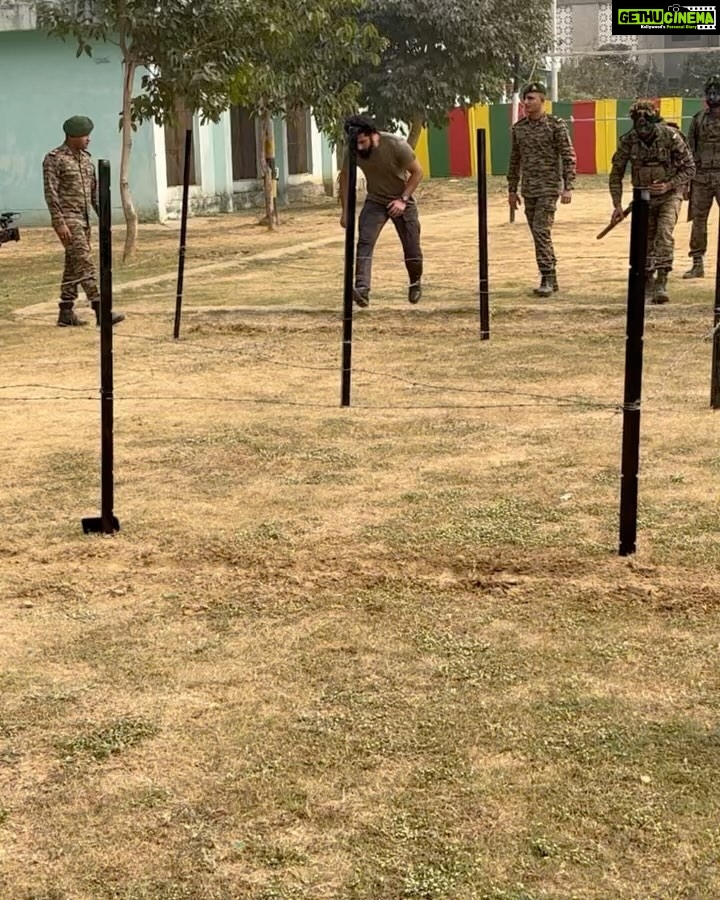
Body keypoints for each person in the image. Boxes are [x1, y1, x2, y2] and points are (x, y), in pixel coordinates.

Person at [609, 99, 695, 304]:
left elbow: (690, 168)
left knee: (663, 234)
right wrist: (617, 205)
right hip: (643, 197)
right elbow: (616, 174)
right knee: (645, 238)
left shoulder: (670, 136)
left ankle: (662, 280)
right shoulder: (628, 140)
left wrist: (669, 185)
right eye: (637, 122)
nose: (642, 126)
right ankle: (647, 279)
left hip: (669, 195)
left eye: (647, 121)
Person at [43, 116, 124, 327]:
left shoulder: (87, 160)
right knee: (85, 262)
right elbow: (51, 193)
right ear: (72, 136)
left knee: (74, 264)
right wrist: (58, 222)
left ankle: (66, 312)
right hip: (68, 220)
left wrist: (105, 219)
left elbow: (94, 194)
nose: (89, 139)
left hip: (84, 219)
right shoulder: (55, 159)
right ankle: (101, 310)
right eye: (85, 135)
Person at [339, 115, 424, 308]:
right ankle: (362, 289)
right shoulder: (353, 150)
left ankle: (415, 282)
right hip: (375, 200)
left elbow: (418, 172)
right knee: (365, 242)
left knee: (411, 247)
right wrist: (345, 211)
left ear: (372, 135)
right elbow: (344, 178)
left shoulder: (396, 145)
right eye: (355, 143)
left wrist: (402, 200)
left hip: (402, 199)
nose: (359, 147)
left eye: (362, 142)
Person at [507, 82, 577, 297]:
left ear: (542, 101)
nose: (526, 103)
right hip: (529, 190)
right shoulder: (519, 129)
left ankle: (547, 276)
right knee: (538, 234)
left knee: (541, 231)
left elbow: (568, 156)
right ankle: (551, 276)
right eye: (525, 99)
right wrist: (512, 190)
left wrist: (568, 187)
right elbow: (514, 161)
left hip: (548, 188)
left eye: (531, 99)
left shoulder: (556, 125)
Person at [684, 75, 720, 279]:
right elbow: (690, 151)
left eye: (717, 92)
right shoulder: (698, 119)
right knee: (698, 222)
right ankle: (697, 263)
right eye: (710, 93)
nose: (713, 97)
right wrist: (688, 183)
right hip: (702, 178)